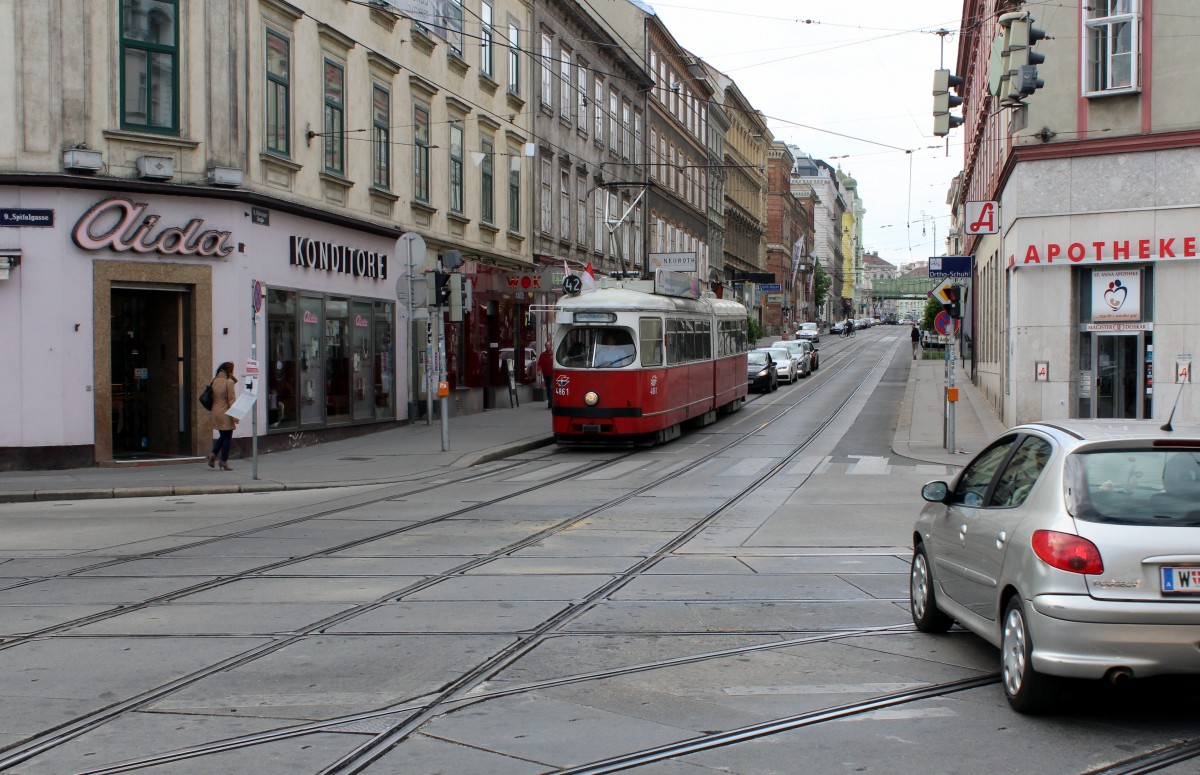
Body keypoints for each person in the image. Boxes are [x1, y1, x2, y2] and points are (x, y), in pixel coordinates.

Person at [206, 362, 239, 471]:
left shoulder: (214, 380)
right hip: (225, 413)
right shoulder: (229, 382)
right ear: (229, 371)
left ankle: (213, 454)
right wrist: (236, 416)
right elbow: (231, 401)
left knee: (223, 436)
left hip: (215, 411)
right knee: (227, 437)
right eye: (232, 370)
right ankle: (223, 461)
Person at [535, 341, 554, 409]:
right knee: (548, 389)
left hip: (553, 374)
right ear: (545, 346)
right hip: (546, 374)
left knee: (551, 388)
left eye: (549, 345)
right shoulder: (542, 355)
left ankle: (551, 402)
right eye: (546, 345)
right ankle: (550, 401)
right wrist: (538, 370)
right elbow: (539, 363)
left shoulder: (554, 354)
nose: (547, 347)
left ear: (551, 346)